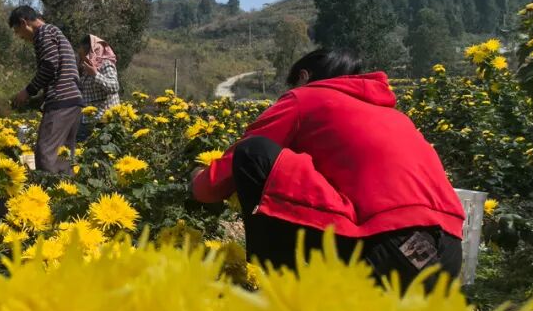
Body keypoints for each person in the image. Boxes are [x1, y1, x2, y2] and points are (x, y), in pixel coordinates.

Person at [190, 48, 464, 289]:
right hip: (448, 254)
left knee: (254, 152)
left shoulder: (305, 97)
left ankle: (280, 284)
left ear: (304, 77)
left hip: (390, 244)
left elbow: (215, 183)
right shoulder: (393, 115)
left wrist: (199, 181)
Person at [9, 6, 83, 174]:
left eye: (18, 32)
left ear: (24, 23)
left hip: (61, 101)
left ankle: (47, 189)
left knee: (45, 153)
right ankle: (66, 189)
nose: (20, 37)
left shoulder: (43, 32)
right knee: (63, 157)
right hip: (73, 102)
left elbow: (50, 65)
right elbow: (59, 71)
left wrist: (28, 91)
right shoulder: (54, 32)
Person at [76, 34, 120, 140]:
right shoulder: (86, 66)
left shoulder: (105, 65)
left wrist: (95, 74)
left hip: (104, 120)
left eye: (83, 54)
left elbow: (114, 87)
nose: (81, 57)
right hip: (88, 118)